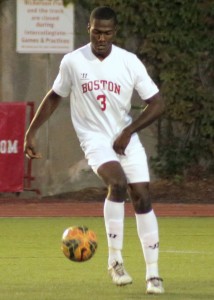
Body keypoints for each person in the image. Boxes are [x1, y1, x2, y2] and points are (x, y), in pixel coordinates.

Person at [24, 6, 165, 294]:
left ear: (115, 32)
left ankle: (153, 275)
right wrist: (32, 131)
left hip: (125, 135)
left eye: (107, 33)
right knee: (117, 183)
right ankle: (115, 260)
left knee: (143, 197)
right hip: (94, 137)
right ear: (88, 28)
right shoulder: (73, 62)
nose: (101, 37)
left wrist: (129, 131)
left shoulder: (129, 62)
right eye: (96, 31)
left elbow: (158, 103)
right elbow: (54, 96)